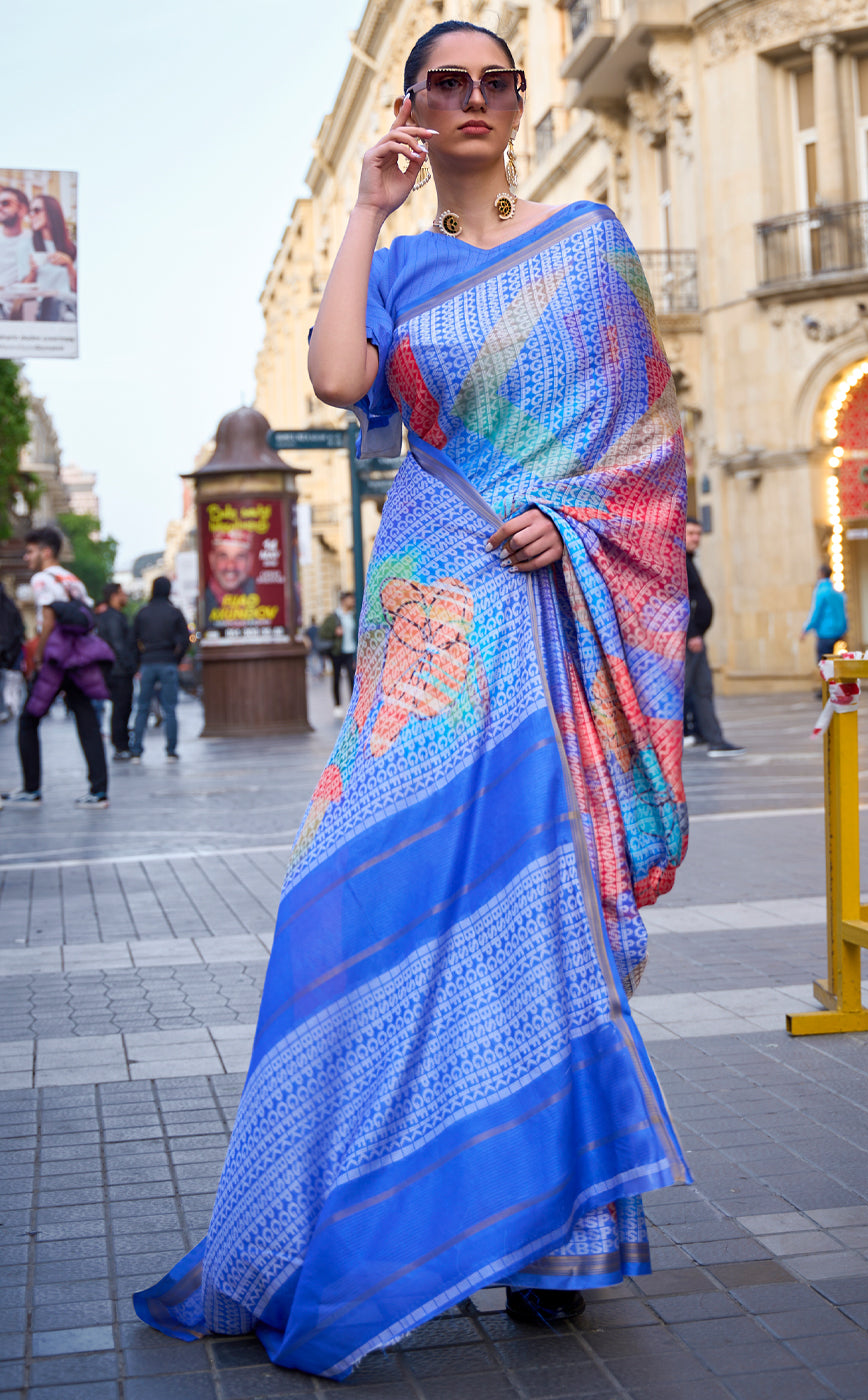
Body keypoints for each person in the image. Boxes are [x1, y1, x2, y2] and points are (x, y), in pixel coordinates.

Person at [135, 20, 690, 1378]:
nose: (482, 101)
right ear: (414, 104)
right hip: (429, 608)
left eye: (502, 81)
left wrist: (571, 520)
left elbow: (643, 452)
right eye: (452, 82)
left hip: (547, 610)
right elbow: (336, 382)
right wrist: (369, 212)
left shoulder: (588, 250)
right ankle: (338, 1209)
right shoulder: (397, 263)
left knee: (537, 903)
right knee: (350, 894)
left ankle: (557, 1240)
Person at [3, 526, 112, 807]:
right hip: (76, 659)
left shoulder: (42, 579)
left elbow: (49, 619)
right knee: (87, 719)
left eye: (30, 551)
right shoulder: (71, 579)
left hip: (55, 658)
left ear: (46, 551)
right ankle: (99, 790)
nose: (26, 558)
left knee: (29, 719)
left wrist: (38, 655)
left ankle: (31, 788)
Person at [684, 518, 744, 757]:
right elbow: (679, 601)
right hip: (690, 640)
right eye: (690, 533)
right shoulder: (678, 561)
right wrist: (692, 634)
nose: (695, 538)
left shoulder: (688, 561)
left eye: (698, 533)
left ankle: (714, 739)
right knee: (683, 691)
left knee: (702, 689)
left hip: (696, 640)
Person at [131, 577, 189, 761]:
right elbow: (186, 639)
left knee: (142, 707)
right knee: (170, 708)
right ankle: (171, 750)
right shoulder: (174, 612)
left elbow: (132, 641)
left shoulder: (143, 613)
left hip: (148, 662)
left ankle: (137, 750)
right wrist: (175, 658)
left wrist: (138, 662)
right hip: (167, 661)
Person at [96, 582, 138, 759]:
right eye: (122, 593)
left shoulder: (109, 616)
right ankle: (121, 745)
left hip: (113, 669)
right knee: (122, 708)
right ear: (114, 595)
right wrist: (129, 665)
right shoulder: (114, 618)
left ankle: (121, 744)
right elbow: (118, 644)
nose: (125, 596)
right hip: (119, 671)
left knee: (120, 708)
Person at [25, 193, 76, 321]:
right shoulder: (26, 245)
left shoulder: (73, 248)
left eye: (36, 210)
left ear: (52, 212)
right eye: (30, 212)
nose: (32, 215)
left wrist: (69, 265)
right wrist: (33, 271)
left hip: (70, 303)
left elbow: (76, 289)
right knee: (65, 316)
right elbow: (23, 290)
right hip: (43, 307)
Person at [202, 529, 255, 630]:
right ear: (212, 560)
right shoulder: (203, 599)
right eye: (223, 556)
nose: (230, 566)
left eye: (239, 557)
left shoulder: (262, 593)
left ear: (250, 561)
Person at [801, 564, 847, 665]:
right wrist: (843, 630)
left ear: (821, 574)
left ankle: (828, 681)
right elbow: (844, 614)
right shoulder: (838, 593)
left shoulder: (821, 592)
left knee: (824, 664)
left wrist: (805, 629)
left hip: (825, 634)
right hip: (838, 633)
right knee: (835, 663)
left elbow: (815, 613)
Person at [0, 187, 32, 311]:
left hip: (25, 308)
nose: (0, 207)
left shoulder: (34, 241)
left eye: (6, 203)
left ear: (22, 209)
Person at [0, 578, 26, 722]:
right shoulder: (10, 606)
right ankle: (8, 707)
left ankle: (7, 707)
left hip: (7, 656)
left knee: (8, 684)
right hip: (8, 656)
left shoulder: (7, 607)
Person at [330, 590, 357, 709]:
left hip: (350, 650)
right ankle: (337, 704)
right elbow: (324, 632)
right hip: (337, 652)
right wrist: (334, 632)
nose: (353, 601)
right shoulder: (335, 616)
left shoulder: (353, 615)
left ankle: (353, 705)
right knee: (336, 678)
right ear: (343, 601)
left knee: (352, 677)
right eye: (350, 599)